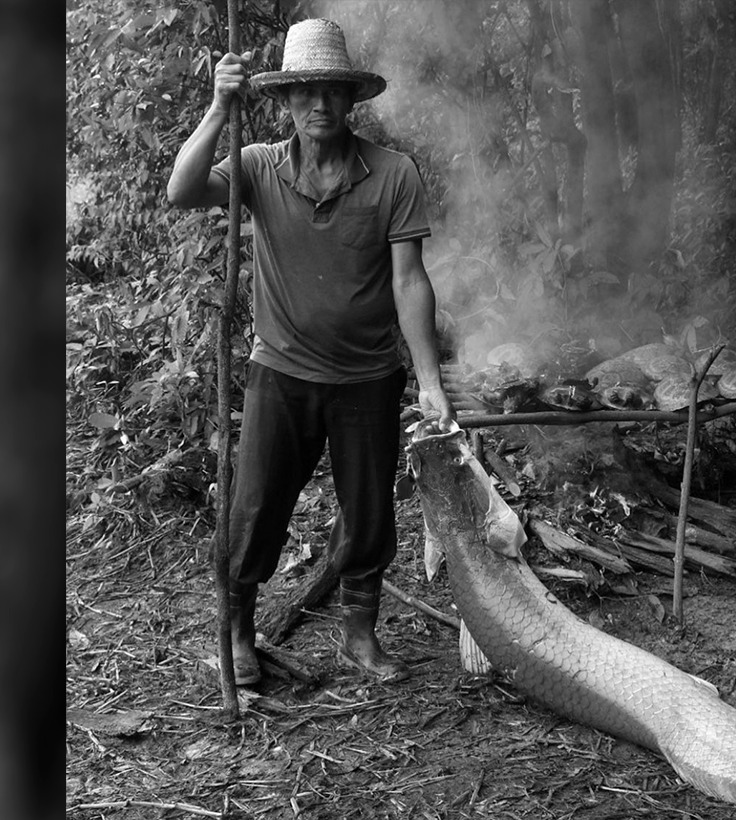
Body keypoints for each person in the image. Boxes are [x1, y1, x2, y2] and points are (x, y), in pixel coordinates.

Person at [166, 19, 454, 686]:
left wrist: (429, 380)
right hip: (282, 372)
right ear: (285, 102)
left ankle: (359, 635)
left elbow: (410, 281)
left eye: (330, 91)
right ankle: (237, 634)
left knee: (369, 511)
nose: (318, 104)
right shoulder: (260, 165)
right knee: (256, 506)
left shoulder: (392, 174)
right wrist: (218, 107)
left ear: (350, 98)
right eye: (303, 93)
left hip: (368, 376)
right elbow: (181, 191)